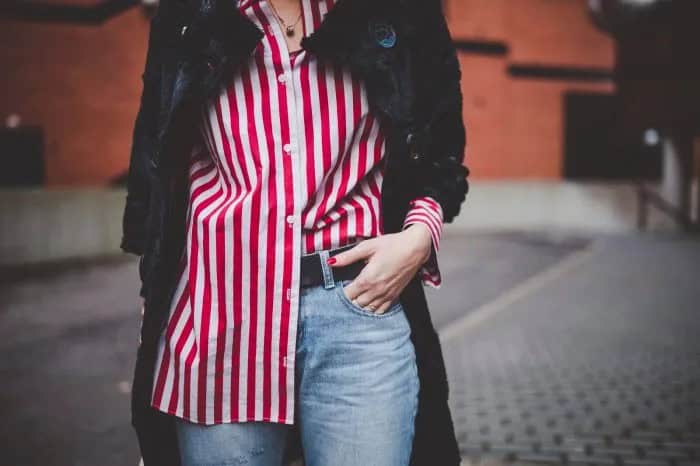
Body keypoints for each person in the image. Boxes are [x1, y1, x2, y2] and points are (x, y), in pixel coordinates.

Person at [121, 0, 470, 464]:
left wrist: (418, 238)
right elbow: (158, 158)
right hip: (222, 318)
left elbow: (440, 148)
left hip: (358, 309)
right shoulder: (191, 13)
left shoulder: (399, 12)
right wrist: (155, 295)